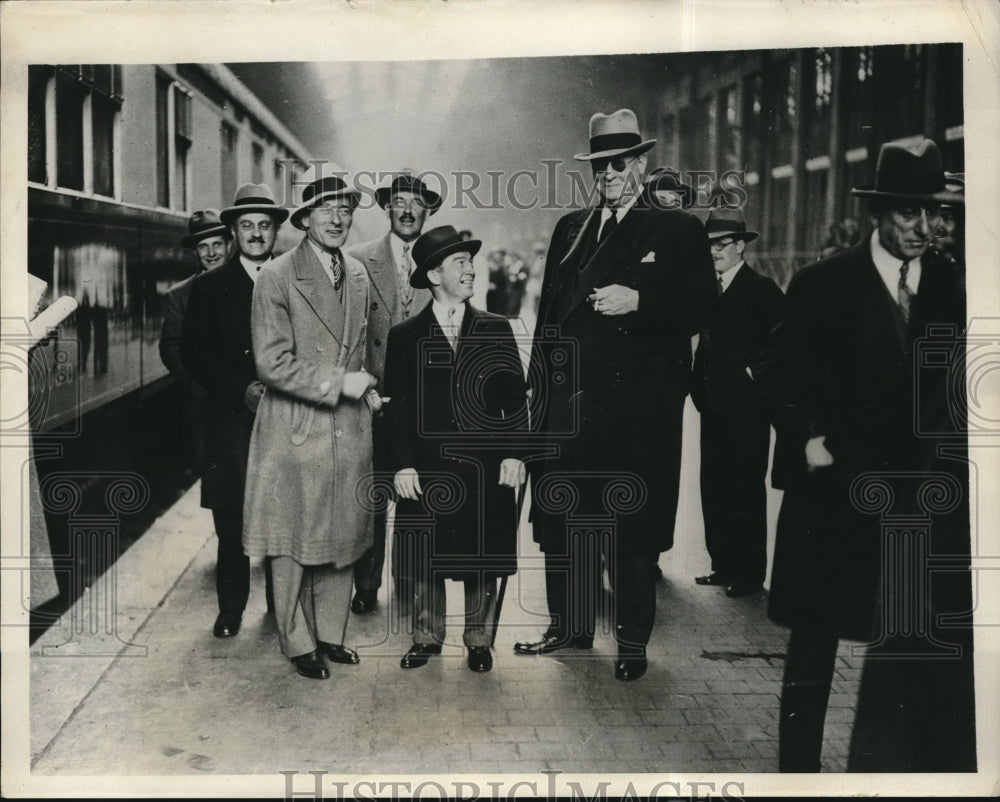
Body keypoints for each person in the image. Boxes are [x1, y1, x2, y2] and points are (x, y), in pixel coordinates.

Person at [762, 138, 971, 771]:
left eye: (933, 212)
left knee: (910, 640)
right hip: (832, 497)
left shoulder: (948, 283)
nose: (923, 227)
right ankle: (796, 773)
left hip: (915, 497)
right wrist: (804, 437)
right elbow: (775, 369)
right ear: (877, 213)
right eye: (909, 212)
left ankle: (890, 766)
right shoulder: (824, 283)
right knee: (815, 639)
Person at [514, 108, 716, 681]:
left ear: (642, 165)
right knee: (565, 520)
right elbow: (551, 313)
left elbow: (705, 306)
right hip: (569, 407)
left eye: (619, 164)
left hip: (636, 413)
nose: (608, 174)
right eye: (600, 165)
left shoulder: (677, 229)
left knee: (629, 530)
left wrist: (642, 302)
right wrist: (538, 392)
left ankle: (632, 642)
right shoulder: (571, 227)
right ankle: (571, 628)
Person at [242, 174, 377, 681]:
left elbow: (362, 350)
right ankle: (296, 640)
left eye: (345, 210)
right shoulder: (276, 277)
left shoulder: (359, 275)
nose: (338, 219)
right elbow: (272, 364)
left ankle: (331, 635)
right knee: (293, 539)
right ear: (304, 220)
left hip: (347, 426)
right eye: (326, 210)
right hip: (297, 429)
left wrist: (366, 389)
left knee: (342, 535)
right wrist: (342, 382)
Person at [384, 225, 528, 673]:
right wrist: (402, 465)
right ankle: (427, 638)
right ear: (433, 276)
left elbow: (514, 401)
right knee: (427, 556)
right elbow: (397, 410)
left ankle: (479, 639)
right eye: (459, 264)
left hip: (484, 468)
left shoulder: (497, 329)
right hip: (427, 469)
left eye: (471, 262)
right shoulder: (405, 336)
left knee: (480, 556)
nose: (470, 271)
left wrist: (514, 454)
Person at [181, 185, 284, 639]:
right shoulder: (209, 286)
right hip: (232, 419)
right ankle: (230, 610)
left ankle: (284, 610)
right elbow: (195, 354)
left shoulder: (290, 279)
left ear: (276, 230)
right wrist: (240, 389)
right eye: (247, 226)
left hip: (286, 419)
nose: (256, 234)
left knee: (284, 521)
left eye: (264, 225)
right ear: (234, 232)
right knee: (232, 522)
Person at [346, 172, 441, 615]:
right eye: (398, 201)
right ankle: (366, 586)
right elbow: (346, 332)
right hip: (371, 399)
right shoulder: (358, 259)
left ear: (429, 210)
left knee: (415, 496)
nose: (406, 209)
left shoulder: (442, 262)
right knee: (371, 496)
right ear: (387, 208)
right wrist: (360, 383)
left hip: (419, 404)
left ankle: (409, 581)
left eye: (415, 203)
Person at [691, 208, 784, 599]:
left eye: (721, 245)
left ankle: (748, 573)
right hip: (712, 404)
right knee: (713, 484)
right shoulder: (707, 288)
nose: (714, 253)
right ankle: (722, 563)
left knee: (745, 486)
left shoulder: (761, 288)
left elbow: (786, 340)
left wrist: (753, 374)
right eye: (708, 246)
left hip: (748, 408)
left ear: (741, 246)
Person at [160, 209, 232, 473]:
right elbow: (171, 348)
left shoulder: (252, 284)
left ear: (229, 245)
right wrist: (197, 387)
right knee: (218, 482)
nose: (211, 253)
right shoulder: (179, 295)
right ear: (195, 252)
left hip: (250, 402)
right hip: (208, 405)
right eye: (203, 247)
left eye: (217, 245)